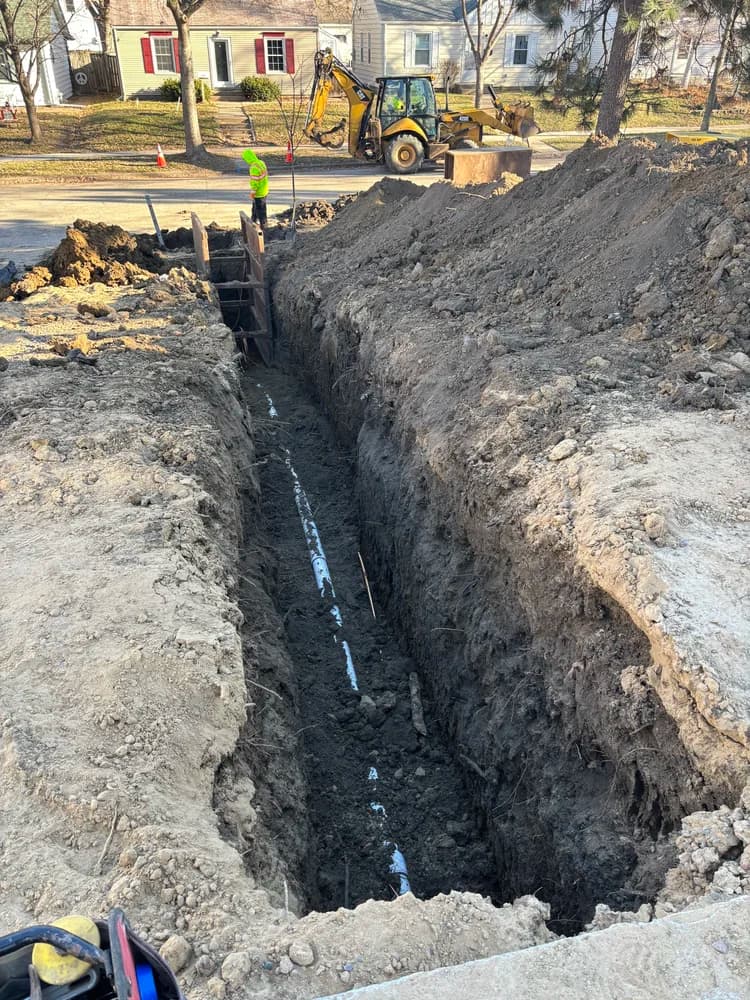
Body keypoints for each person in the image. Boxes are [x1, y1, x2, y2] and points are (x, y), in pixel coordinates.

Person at [242, 149, 269, 230]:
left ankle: (264, 227)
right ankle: (253, 221)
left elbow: (255, 182)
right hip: (264, 189)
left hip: (259, 192)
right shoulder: (261, 162)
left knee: (260, 210)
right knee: (256, 207)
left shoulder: (253, 167)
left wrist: (253, 192)